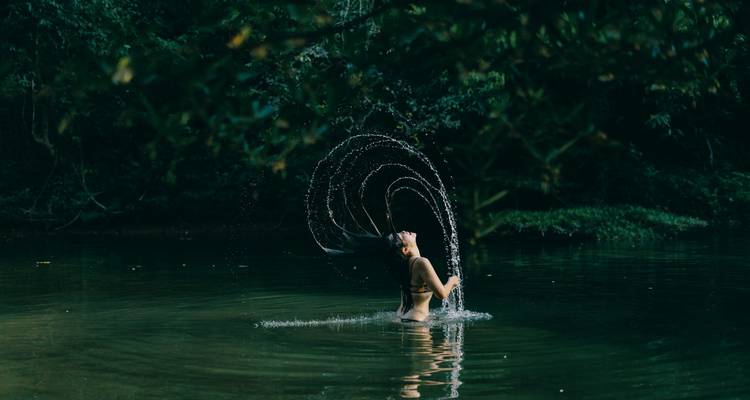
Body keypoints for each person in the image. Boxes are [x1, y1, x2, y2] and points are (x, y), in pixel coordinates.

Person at [385, 231, 460, 322]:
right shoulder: (422, 262)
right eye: (401, 235)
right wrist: (452, 281)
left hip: (400, 316)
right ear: (405, 250)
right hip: (417, 320)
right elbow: (442, 294)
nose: (404, 231)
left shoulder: (403, 265)